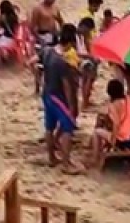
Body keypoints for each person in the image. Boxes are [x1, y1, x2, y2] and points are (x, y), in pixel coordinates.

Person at [32, 27, 83, 174]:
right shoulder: (62, 63)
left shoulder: (47, 50)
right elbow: (67, 86)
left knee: (49, 127)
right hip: (58, 97)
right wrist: (72, 105)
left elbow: (32, 61)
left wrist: (39, 82)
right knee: (67, 128)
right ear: (71, 42)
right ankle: (66, 164)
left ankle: (52, 158)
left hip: (47, 93)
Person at [87, 78, 130, 169]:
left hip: (123, 141)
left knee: (97, 132)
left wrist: (113, 141)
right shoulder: (129, 99)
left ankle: (95, 158)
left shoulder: (113, 105)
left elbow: (116, 124)